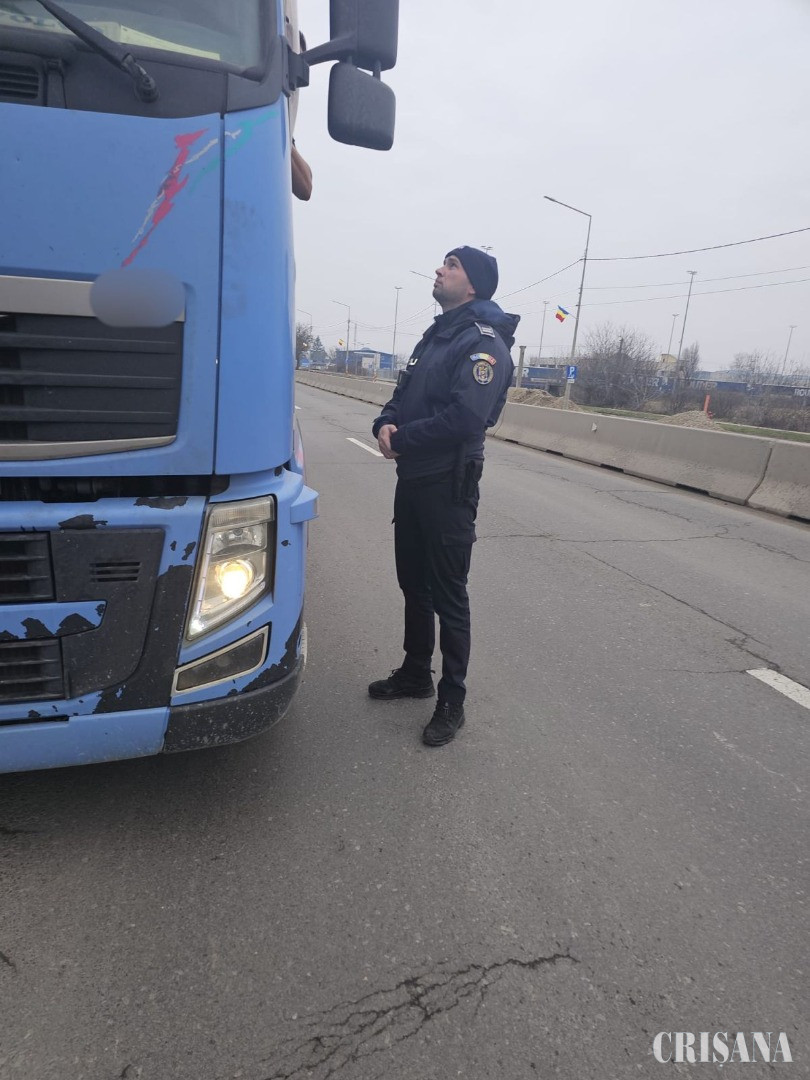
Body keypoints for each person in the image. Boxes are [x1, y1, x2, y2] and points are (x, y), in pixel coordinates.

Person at [369, 247, 519, 746]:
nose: (439, 269)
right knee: (414, 584)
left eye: (451, 265)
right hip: (413, 480)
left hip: (448, 484)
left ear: (473, 284)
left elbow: (466, 418)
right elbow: (402, 394)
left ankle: (452, 699)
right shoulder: (434, 337)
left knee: (449, 594)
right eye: (443, 263)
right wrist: (385, 423)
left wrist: (404, 439)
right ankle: (416, 672)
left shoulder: (484, 344)